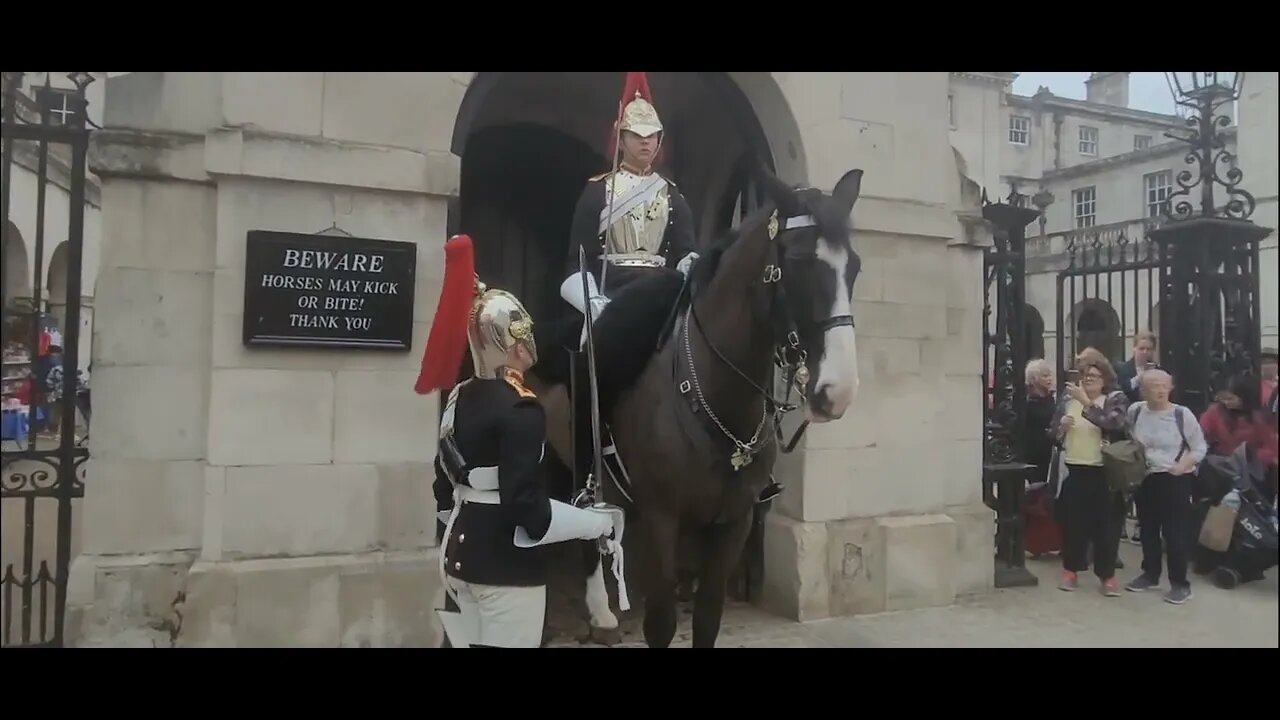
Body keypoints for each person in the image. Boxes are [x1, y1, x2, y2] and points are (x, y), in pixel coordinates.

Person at [415, 234, 626, 648]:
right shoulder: (522, 409)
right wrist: (596, 523)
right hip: (505, 571)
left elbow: (444, 488)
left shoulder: (459, 396)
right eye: (522, 328)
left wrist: (463, 527)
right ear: (509, 340)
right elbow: (528, 511)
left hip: (458, 559)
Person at [1122, 370, 1209, 604]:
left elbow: (1199, 447)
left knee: (1175, 533)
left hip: (1174, 478)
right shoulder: (1136, 411)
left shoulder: (1182, 414)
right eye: (1153, 386)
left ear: (1170, 387)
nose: (1159, 390)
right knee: (1148, 529)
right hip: (1145, 477)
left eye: (1163, 386)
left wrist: (1182, 466)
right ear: (1143, 389)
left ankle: (1180, 583)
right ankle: (1150, 573)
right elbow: (1129, 437)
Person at [1051, 349, 1130, 595]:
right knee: (1074, 525)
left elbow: (1113, 423)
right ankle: (1070, 571)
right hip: (1075, 469)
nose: (1088, 380)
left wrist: (1086, 402)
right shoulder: (1067, 400)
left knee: (1106, 528)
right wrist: (1060, 429)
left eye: (1094, 376)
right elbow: (1052, 435)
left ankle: (1107, 577)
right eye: (1085, 376)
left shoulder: (1115, 399)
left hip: (1104, 473)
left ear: (1105, 378)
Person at [1023, 359, 1060, 557]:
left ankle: (1051, 540)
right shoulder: (1030, 403)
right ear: (1034, 380)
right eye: (1044, 376)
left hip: (1052, 454)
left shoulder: (1051, 400)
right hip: (1036, 454)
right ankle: (1034, 542)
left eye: (1049, 375)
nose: (1049, 379)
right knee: (1037, 497)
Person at [1114, 331, 1159, 404]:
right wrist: (1139, 378)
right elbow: (1123, 390)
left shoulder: (1158, 370)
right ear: (1134, 348)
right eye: (1141, 349)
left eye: (1149, 349)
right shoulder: (1123, 369)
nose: (1145, 352)